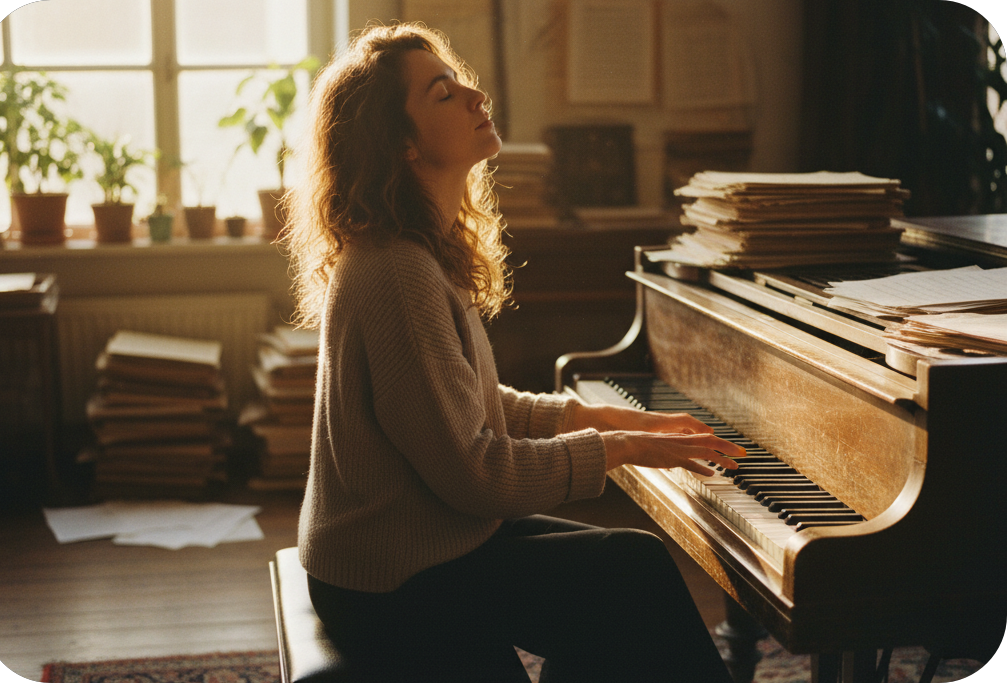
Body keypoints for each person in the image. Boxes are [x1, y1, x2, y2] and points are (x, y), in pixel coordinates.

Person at [283, 22, 744, 683]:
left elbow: (467, 405)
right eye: (443, 93)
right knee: (629, 578)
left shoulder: (416, 250)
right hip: (391, 580)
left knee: (628, 569)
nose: (475, 96)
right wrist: (624, 450)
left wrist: (617, 420)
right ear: (403, 146)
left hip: (423, 541)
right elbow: (477, 475)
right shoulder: (397, 273)